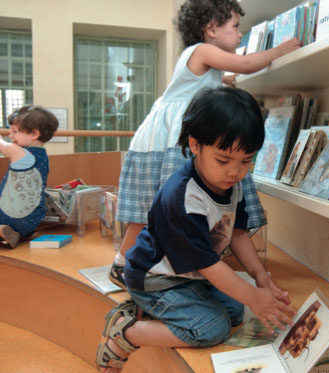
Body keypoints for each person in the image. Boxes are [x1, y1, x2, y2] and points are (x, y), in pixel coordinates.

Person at [96, 87, 296, 371]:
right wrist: (253, 296)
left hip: (188, 275)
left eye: (246, 161)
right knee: (212, 328)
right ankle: (126, 331)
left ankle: (149, 313)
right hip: (155, 279)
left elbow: (237, 233)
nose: (234, 172)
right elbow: (207, 264)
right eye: (224, 160)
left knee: (234, 311)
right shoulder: (181, 197)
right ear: (195, 144)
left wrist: (260, 277)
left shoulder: (233, 186)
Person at [109, 0, 302, 288]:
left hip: (163, 137)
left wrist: (225, 81)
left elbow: (222, 77)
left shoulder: (203, 63)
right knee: (157, 206)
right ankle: (126, 264)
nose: (239, 35)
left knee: (150, 207)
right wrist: (280, 50)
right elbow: (246, 64)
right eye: (235, 27)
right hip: (171, 138)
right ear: (211, 28)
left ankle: (125, 262)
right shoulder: (202, 51)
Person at [0, 105, 59, 249]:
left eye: (14, 131)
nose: (10, 135)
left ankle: (5, 230)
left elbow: (3, 146)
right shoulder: (42, 155)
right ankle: (21, 233)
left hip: (10, 216)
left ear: (33, 134)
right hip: (32, 218)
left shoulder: (22, 155)